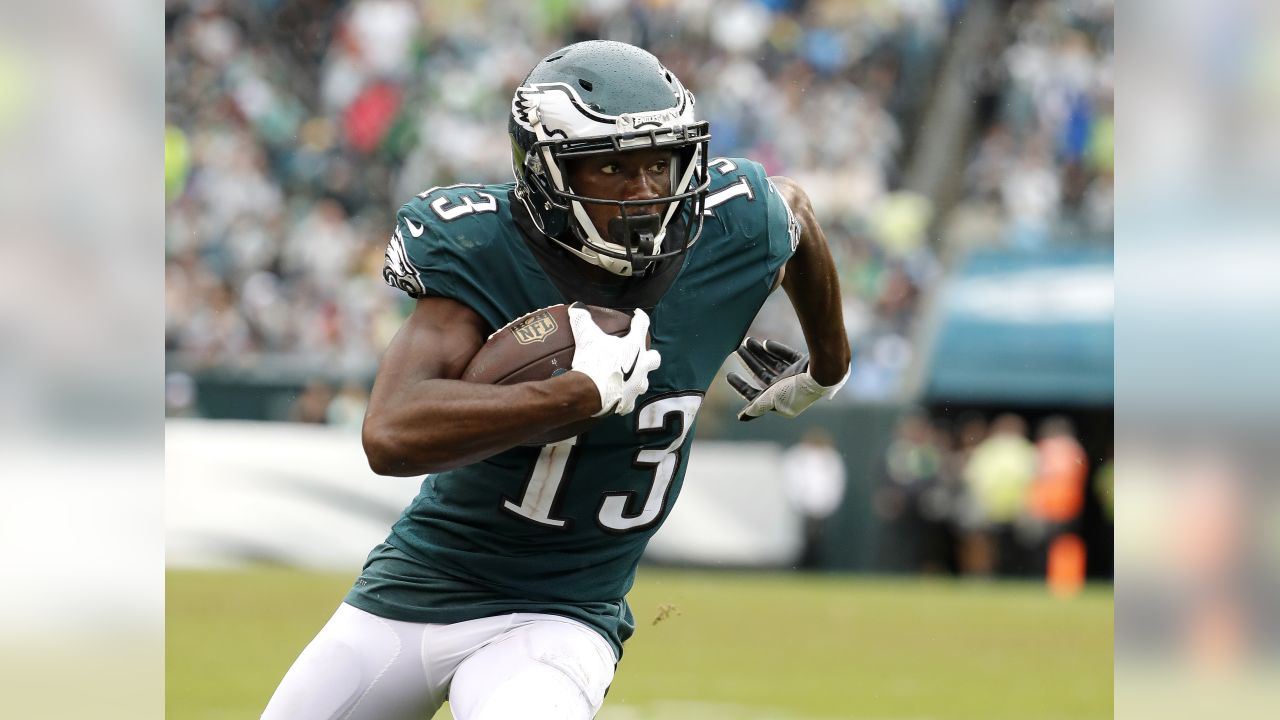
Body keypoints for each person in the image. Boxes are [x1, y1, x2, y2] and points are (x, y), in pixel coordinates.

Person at [262, 40, 851, 720]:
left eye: (660, 163)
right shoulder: (485, 246)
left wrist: (826, 370)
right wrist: (570, 396)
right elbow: (389, 432)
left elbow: (798, 214)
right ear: (545, 171)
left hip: (565, 611)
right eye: (612, 167)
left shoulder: (730, 226)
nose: (647, 192)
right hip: (419, 586)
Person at [781, 428, 847, 570]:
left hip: (821, 510)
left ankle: (815, 568)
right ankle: (800, 568)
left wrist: (825, 506)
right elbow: (791, 481)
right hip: (801, 509)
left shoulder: (830, 458)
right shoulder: (797, 456)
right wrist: (800, 503)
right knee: (800, 541)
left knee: (818, 541)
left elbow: (834, 484)